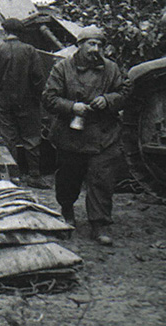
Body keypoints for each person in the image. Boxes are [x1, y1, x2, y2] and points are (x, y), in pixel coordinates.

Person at [43, 25, 129, 245]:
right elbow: (49, 98)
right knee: (68, 178)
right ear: (79, 46)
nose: (96, 49)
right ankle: (67, 212)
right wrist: (72, 107)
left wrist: (108, 100)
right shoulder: (62, 68)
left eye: (99, 44)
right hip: (71, 135)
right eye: (91, 44)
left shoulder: (111, 68)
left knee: (102, 180)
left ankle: (99, 224)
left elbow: (124, 92)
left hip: (104, 135)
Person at [0, 18, 48, 188]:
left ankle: (13, 176)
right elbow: (38, 78)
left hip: (3, 101)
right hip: (27, 100)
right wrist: (37, 98)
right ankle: (34, 176)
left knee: (7, 137)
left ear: (5, 32)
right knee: (31, 138)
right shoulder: (30, 51)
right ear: (20, 33)